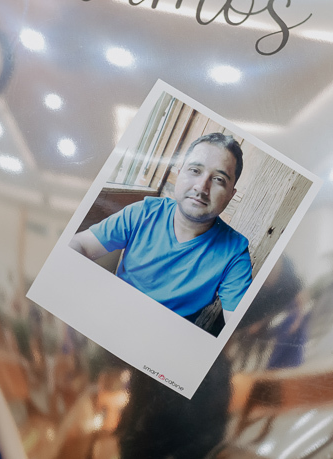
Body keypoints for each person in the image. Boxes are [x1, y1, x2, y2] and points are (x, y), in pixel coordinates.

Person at [70, 133, 253, 329]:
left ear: (231, 195)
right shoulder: (144, 212)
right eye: (194, 170)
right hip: (109, 317)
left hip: (162, 343)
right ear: (180, 172)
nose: (201, 187)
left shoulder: (234, 252)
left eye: (218, 179)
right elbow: (80, 244)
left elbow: (240, 325)